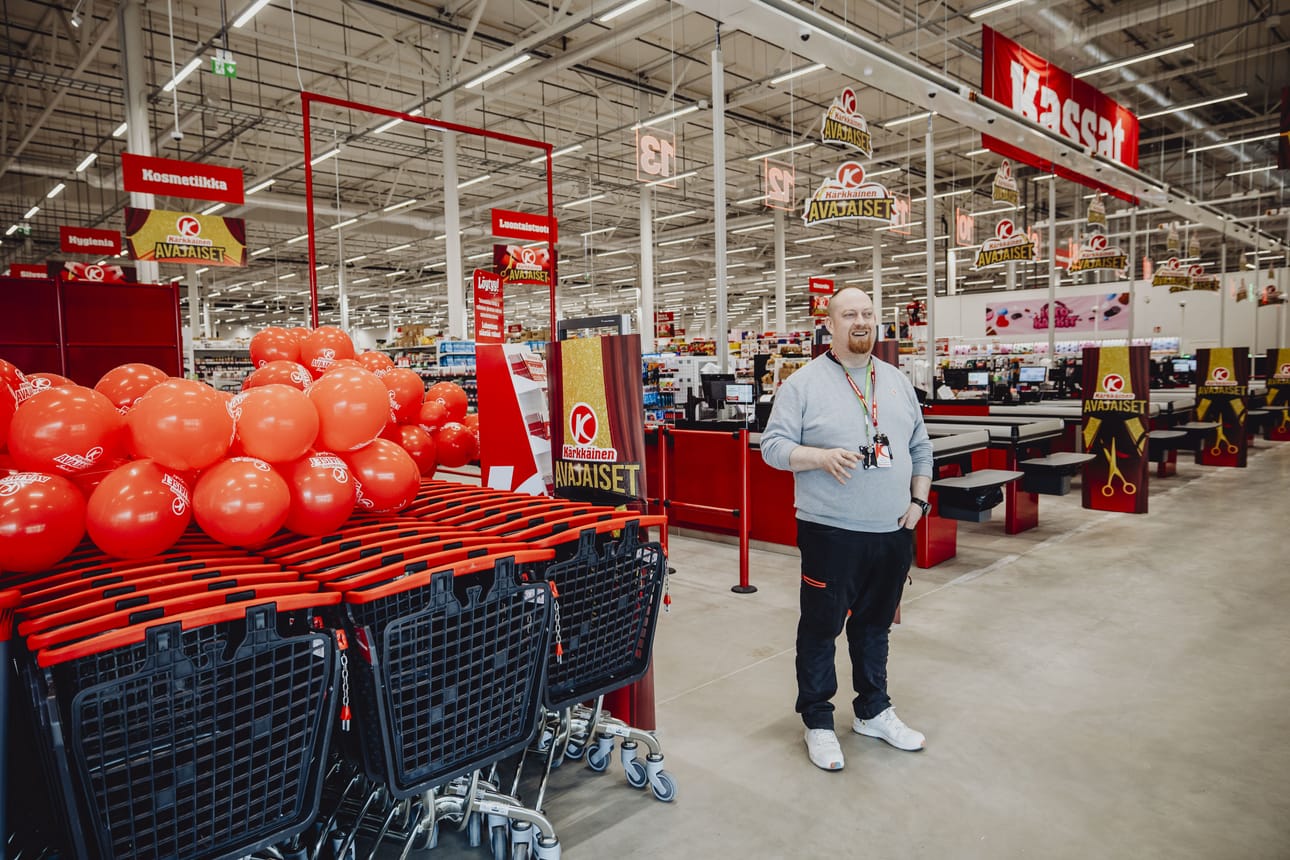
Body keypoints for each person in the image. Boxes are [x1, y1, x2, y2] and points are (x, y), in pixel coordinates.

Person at [760, 286, 934, 771]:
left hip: (893, 530)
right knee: (820, 628)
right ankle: (818, 721)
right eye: (849, 314)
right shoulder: (803, 384)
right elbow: (771, 447)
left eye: (868, 313)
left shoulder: (896, 381)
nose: (861, 321)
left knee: (875, 627)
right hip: (830, 532)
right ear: (829, 325)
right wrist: (818, 457)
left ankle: (873, 710)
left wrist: (918, 502)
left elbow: (921, 448)